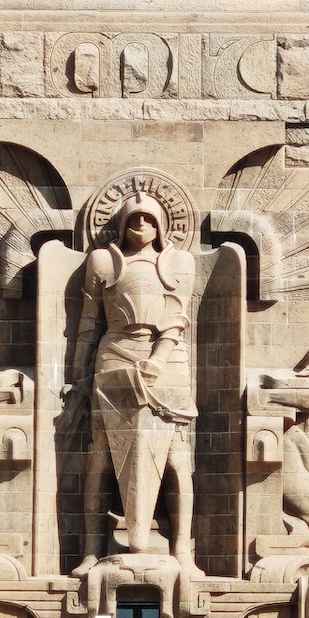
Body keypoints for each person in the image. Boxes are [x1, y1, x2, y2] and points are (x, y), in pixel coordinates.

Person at [67, 194, 199, 571]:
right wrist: (79, 375)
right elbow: (89, 321)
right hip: (114, 354)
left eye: (149, 219)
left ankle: (182, 552)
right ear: (122, 222)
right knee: (101, 456)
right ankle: (92, 551)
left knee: (176, 458)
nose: (141, 224)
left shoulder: (179, 262)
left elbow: (177, 317)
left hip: (168, 361)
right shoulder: (102, 260)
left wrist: (158, 359)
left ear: (161, 225)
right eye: (134, 218)